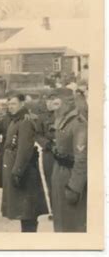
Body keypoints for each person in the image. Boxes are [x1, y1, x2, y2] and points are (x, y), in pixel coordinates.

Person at [1, 93, 49, 232]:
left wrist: (17, 172)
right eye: (9, 104)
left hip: (24, 171)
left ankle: (29, 239)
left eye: (14, 104)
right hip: (18, 168)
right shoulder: (15, 120)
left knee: (28, 209)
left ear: (22, 104)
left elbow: (24, 149)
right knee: (24, 209)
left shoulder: (25, 121)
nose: (10, 107)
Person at [50, 88, 87, 232]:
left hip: (70, 177)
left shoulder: (78, 123)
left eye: (57, 102)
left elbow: (81, 159)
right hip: (59, 174)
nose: (54, 105)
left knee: (72, 224)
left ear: (68, 102)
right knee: (60, 221)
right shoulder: (62, 119)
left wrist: (75, 187)